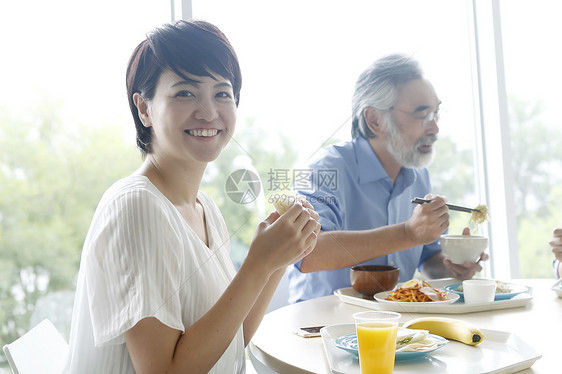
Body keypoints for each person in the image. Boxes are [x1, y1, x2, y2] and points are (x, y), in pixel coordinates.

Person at [63, 20, 320, 373]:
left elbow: (230, 340)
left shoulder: (205, 208)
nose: (209, 112)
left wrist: (277, 261)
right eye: (185, 93)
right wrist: (258, 263)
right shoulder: (137, 206)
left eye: (222, 93)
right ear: (144, 109)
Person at [287, 54, 486, 303]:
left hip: (393, 325)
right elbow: (307, 253)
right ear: (375, 120)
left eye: (436, 113)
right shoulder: (324, 170)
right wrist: (408, 233)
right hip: (319, 327)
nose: (434, 128)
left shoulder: (418, 173)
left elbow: (428, 258)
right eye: (422, 114)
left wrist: (453, 267)